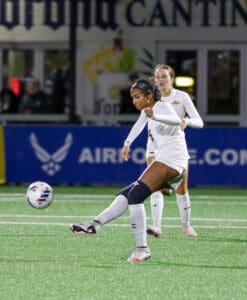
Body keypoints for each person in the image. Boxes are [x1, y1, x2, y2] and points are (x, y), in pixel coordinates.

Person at [70, 79, 190, 263]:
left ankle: (142, 249)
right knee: (126, 194)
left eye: (137, 97)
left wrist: (156, 116)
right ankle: (94, 224)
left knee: (136, 196)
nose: (134, 101)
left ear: (149, 96)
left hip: (172, 159)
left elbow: (176, 120)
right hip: (168, 160)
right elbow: (139, 125)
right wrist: (127, 143)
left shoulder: (162, 107)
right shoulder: (147, 110)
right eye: (133, 97)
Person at [121, 64, 203, 238]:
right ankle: (156, 226)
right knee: (154, 187)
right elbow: (141, 121)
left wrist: (186, 121)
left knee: (182, 189)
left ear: (172, 78)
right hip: (154, 148)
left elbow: (199, 122)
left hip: (174, 149)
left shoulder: (181, 97)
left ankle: (186, 226)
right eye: (158, 77)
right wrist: (128, 142)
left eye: (164, 76)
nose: (160, 80)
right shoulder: (150, 98)